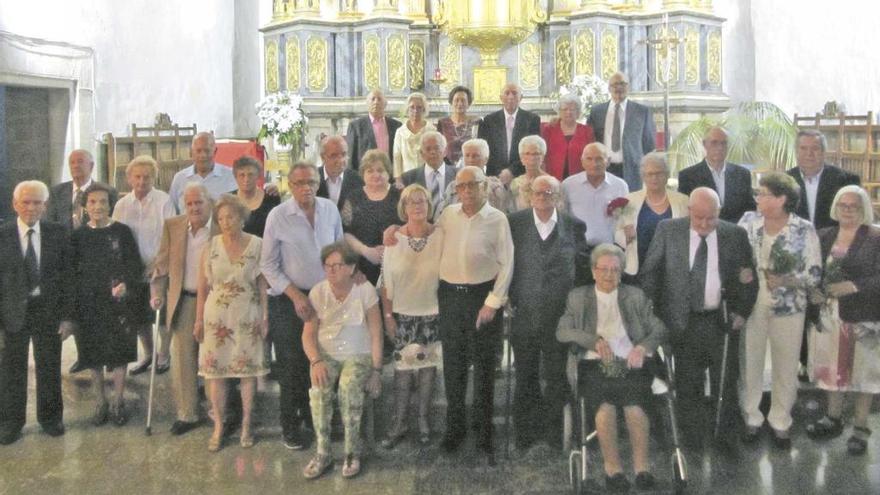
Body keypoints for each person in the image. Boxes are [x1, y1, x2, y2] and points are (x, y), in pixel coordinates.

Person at [640, 187, 757, 449]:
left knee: (725, 382)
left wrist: (742, 312)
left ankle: (724, 437)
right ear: (689, 211)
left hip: (721, 321)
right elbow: (650, 275)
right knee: (687, 383)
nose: (705, 224)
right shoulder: (668, 230)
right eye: (699, 218)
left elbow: (749, 280)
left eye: (711, 218)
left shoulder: (735, 235)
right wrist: (654, 317)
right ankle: (691, 438)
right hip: (683, 321)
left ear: (720, 212)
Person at [557, 244, 666, 492]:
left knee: (634, 406)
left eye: (615, 270)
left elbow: (659, 328)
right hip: (594, 364)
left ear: (622, 272)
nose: (609, 275)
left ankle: (641, 470)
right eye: (604, 269)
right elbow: (562, 331)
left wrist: (642, 347)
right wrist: (592, 341)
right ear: (593, 271)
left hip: (630, 361)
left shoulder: (635, 296)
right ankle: (613, 470)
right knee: (604, 407)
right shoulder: (578, 297)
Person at [261, 162, 343, 450]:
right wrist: (296, 297)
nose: (305, 187)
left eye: (310, 182)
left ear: (317, 183)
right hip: (288, 300)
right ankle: (290, 425)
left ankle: (316, 419)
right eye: (298, 183)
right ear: (290, 186)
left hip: (324, 297)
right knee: (292, 364)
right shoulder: (278, 216)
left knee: (323, 360)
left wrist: (335, 291)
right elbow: (268, 265)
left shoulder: (329, 209)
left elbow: (338, 250)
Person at [737, 173, 821, 449]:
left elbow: (815, 273)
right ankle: (752, 416)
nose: (757, 198)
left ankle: (780, 420)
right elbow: (733, 257)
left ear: (782, 199)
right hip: (752, 300)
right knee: (751, 360)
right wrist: (742, 272)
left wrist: (787, 280)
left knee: (786, 364)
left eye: (763, 194)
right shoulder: (748, 222)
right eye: (758, 194)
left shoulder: (803, 229)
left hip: (790, 304)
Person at [436, 166, 514, 466]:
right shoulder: (447, 215)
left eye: (472, 185)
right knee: (453, 368)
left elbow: (507, 263)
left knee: (483, 369)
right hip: (450, 298)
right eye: (461, 186)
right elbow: (431, 244)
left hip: (482, 299)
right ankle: (455, 429)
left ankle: (484, 433)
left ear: (485, 186)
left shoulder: (498, 219)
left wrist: (493, 302)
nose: (466, 191)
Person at [508, 175, 588, 450]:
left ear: (558, 197)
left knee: (556, 377)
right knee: (526, 376)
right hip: (524, 314)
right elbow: (505, 264)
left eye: (549, 192)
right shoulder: (514, 223)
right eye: (537, 192)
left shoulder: (573, 226)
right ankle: (526, 434)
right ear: (529, 195)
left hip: (559, 318)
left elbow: (581, 270)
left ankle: (556, 433)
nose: (542, 196)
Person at [805, 185, 880, 455]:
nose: (847, 210)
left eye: (854, 206)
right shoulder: (824, 235)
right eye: (843, 206)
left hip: (863, 315)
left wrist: (854, 286)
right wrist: (812, 290)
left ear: (864, 210)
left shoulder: (876, 236)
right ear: (835, 208)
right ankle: (832, 417)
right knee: (831, 368)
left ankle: (860, 427)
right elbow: (811, 270)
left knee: (863, 372)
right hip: (828, 315)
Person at [301, 242, 383, 479]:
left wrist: (376, 370)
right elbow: (307, 335)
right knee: (319, 389)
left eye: (338, 265)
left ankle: (351, 452)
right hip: (326, 353)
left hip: (358, 353)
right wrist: (316, 361)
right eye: (327, 266)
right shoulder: (317, 292)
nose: (332, 270)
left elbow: (376, 333)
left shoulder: (365, 290)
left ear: (351, 267)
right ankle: (323, 452)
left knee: (348, 387)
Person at [0, 181, 73, 445]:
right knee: (11, 370)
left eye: (37, 202)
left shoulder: (58, 233)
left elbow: (68, 279)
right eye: (26, 202)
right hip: (12, 313)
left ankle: (51, 418)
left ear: (45, 206)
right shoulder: (2, 235)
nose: (31, 208)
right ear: (15, 204)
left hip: (48, 310)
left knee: (49, 366)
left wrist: (67, 318)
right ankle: (10, 422)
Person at [194, 194, 269, 451]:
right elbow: (202, 288)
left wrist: (265, 316)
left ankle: (247, 424)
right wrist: (198, 321)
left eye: (231, 217)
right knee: (216, 373)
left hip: (247, 313)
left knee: (247, 372)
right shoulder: (211, 246)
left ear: (242, 218)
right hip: (216, 318)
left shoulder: (257, 245)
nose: (226, 222)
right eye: (221, 218)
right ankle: (219, 425)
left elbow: (262, 284)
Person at [70, 183, 144, 426]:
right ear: (85, 206)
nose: (98, 206)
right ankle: (101, 401)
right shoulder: (78, 235)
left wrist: (126, 285)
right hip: (89, 304)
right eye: (92, 202)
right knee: (92, 354)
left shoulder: (122, 231)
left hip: (118, 301)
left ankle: (118, 402)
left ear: (110, 203)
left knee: (119, 352)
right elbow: (72, 270)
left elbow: (135, 266)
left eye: (103, 201)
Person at [151, 183, 218, 437]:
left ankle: (217, 412)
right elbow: (162, 261)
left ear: (208, 203)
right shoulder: (174, 225)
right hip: (184, 299)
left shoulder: (221, 226)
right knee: (183, 360)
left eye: (199, 202)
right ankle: (187, 414)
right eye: (189, 204)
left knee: (213, 358)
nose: (194, 208)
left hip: (215, 302)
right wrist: (157, 291)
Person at [379, 184, 444, 448]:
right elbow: (386, 283)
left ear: (429, 205)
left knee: (427, 370)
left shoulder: (441, 235)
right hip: (402, 315)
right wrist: (387, 316)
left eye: (422, 201)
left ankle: (424, 420)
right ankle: (399, 422)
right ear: (403, 207)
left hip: (433, 314)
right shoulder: (394, 239)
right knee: (403, 373)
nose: (417, 206)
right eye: (411, 202)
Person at [112, 156, 176, 377]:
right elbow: (116, 236)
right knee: (139, 316)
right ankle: (149, 354)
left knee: (161, 313)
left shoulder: (164, 201)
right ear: (129, 178)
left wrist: (157, 264)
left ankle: (164, 355)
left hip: (158, 268)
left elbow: (172, 236)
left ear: (154, 177)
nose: (141, 181)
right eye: (137, 176)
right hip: (132, 270)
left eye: (146, 176)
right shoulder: (121, 205)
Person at [614, 152, 689, 276]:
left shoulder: (683, 201)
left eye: (659, 173)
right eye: (650, 174)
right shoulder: (629, 200)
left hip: (672, 268)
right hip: (637, 267)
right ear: (643, 177)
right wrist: (625, 237)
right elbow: (617, 232)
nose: (654, 178)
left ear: (667, 175)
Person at [587, 72, 656, 191]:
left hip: (631, 170)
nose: (619, 87)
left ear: (628, 87)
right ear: (609, 88)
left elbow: (648, 144)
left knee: (631, 204)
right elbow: (588, 138)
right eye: (615, 84)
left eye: (623, 84)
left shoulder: (641, 112)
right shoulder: (597, 112)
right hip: (603, 168)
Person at [341, 149, 402, 285]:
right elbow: (345, 233)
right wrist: (366, 251)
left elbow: (410, 227)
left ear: (388, 172)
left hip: (398, 264)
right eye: (370, 171)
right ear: (362, 174)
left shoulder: (400, 195)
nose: (376, 175)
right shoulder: (353, 198)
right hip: (362, 268)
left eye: (380, 170)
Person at [677, 126, 756, 223]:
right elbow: (685, 211)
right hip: (703, 230)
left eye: (724, 143)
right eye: (714, 143)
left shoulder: (742, 175)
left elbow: (750, 209)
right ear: (704, 144)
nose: (720, 147)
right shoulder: (688, 176)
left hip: (735, 233)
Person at [787, 129, 860, 230]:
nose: (809, 153)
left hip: (833, 242)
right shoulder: (785, 181)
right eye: (803, 148)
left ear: (824, 152)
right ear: (796, 152)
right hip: (795, 243)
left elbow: (856, 218)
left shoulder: (846, 180)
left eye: (815, 148)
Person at [562, 142, 629, 248]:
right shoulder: (568, 185)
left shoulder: (620, 185)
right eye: (589, 159)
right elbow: (562, 218)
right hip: (578, 249)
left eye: (599, 159)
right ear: (582, 161)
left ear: (608, 161)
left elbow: (626, 219)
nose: (594, 164)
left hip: (609, 249)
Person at [477, 82, 541, 178]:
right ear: (501, 98)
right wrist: (500, 173)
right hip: (495, 175)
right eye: (507, 93)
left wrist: (511, 171)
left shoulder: (532, 120)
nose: (511, 97)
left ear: (521, 97)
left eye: (514, 93)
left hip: (522, 174)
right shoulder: (489, 120)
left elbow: (533, 149)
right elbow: (484, 150)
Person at [46, 149, 119, 231]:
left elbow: (111, 222)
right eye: (72, 163)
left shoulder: (106, 192)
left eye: (80, 161)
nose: (75, 166)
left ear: (91, 166)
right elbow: (50, 222)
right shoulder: (56, 192)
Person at [437, 138, 509, 216]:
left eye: (475, 156)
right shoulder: (453, 186)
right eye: (467, 155)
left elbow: (503, 216)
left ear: (485, 159)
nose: (471, 160)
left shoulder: (495, 187)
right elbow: (441, 216)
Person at [168, 132, 237, 212]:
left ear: (215, 151)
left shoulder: (230, 175)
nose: (203, 155)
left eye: (207, 150)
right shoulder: (180, 178)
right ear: (191, 152)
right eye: (198, 151)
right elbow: (173, 211)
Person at [399, 131, 457, 219]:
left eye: (437, 148)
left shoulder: (459, 175)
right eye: (428, 149)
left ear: (445, 151)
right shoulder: (408, 178)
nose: (433, 152)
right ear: (421, 154)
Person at [541, 93, 595, 181]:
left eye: (572, 109)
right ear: (559, 111)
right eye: (565, 109)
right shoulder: (548, 129)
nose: (568, 112)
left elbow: (592, 155)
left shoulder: (587, 131)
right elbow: (542, 155)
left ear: (578, 112)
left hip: (580, 179)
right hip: (552, 178)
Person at [346, 89, 402, 171]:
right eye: (373, 99)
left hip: (390, 176)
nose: (376, 102)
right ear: (367, 103)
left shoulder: (396, 126)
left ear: (385, 104)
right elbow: (350, 157)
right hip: (365, 177)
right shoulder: (355, 126)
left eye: (379, 99)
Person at [232, 155, 280, 237]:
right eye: (242, 175)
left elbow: (279, 228)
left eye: (250, 174)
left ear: (258, 176)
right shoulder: (229, 200)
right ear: (236, 177)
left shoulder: (271, 198)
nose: (246, 179)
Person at [392, 92, 436, 182]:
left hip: (428, 177)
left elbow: (435, 155)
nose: (415, 111)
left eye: (419, 107)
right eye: (412, 107)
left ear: (424, 109)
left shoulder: (431, 130)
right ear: (407, 109)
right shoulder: (400, 132)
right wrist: (398, 180)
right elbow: (397, 157)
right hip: (407, 178)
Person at [317, 135, 365, 210]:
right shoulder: (312, 178)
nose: (340, 160)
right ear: (322, 157)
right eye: (334, 156)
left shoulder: (357, 180)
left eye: (344, 154)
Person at [436, 85, 479, 165]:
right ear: (451, 102)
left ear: (469, 103)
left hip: (471, 166)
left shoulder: (476, 122)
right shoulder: (443, 123)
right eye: (456, 100)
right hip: (448, 168)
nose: (460, 103)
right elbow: (439, 148)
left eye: (463, 100)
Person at [509, 135, 550, 212]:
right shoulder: (515, 184)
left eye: (536, 154)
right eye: (527, 154)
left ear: (543, 157)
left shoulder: (551, 183)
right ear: (521, 158)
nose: (532, 158)